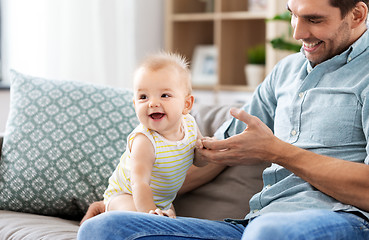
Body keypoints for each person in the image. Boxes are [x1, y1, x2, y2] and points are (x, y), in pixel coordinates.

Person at [78, 0, 369, 239]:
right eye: (292, 15)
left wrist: (277, 151)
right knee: (102, 230)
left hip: (342, 219)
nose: (297, 33)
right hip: (252, 224)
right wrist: (122, 202)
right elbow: (218, 152)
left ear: (357, 15)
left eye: (314, 20)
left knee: (269, 234)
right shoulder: (286, 71)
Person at [102, 52, 207, 219]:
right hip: (126, 195)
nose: (152, 103)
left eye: (164, 95)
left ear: (186, 104)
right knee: (135, 216)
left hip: (162, 201)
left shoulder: (190, 125)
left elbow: (200, 161)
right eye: (143, 97)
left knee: (170, 218)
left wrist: (205, 151)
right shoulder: (144, 140)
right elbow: (140, 183)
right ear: (135, 104)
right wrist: (150, 214)